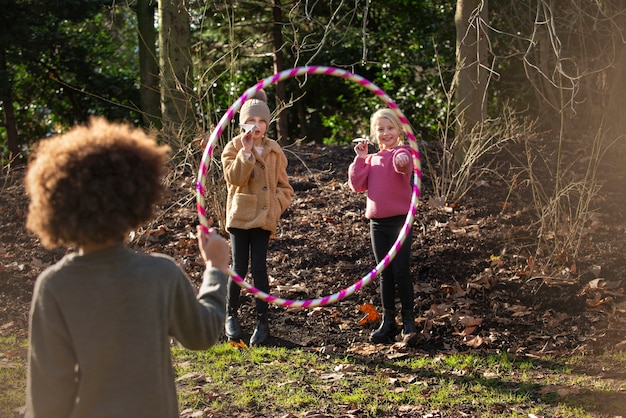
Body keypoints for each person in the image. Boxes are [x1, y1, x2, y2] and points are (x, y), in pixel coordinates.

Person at [24, 117, 230, 418]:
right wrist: (215, 268)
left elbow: (47, 397)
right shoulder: (160, 274)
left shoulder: (54, 286)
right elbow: (202, 333)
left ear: (56, 205)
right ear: (136, 198)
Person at [221, 89, 293, 346]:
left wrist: (275, 205)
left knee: (260, 269)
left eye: (262, 121)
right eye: (252, 121)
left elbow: (286, 187)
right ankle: (231, 315)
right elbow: (234, 179)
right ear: (242, 123)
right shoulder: (233, 148)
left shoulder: (275, 150)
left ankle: (262, 321)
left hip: (264, 218)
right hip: (240, 215)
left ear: (268, 124)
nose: (257, 126)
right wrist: (247, 153)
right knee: (239, 268)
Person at [348, 108, 417, 344]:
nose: (385, 133)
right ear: (373, 134)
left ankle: (409, 321)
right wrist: (360, 157)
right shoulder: (371, 159)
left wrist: (401, 159)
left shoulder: (404, 152)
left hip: (400, 222)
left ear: (399, 131)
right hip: (377, 224)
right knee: (384, 273)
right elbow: (357, 185)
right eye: (380, 130)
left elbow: (402, 166)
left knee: (401, 271)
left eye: (390, 128)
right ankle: (389, 321)